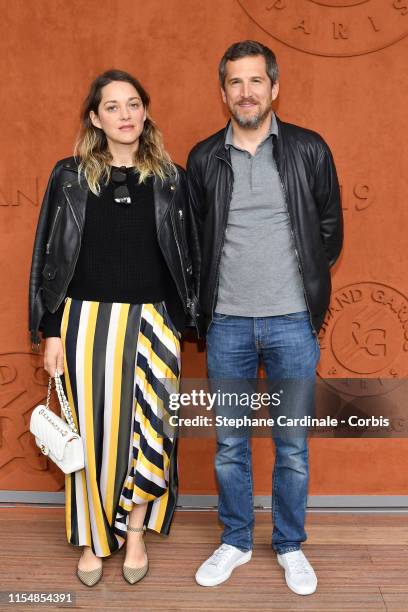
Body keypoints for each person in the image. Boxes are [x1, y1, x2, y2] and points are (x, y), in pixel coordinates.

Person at [29, 69, 198, 587]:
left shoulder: (172, 176)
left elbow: (187, 253)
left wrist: (180, 319)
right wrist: (50, 332)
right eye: (112, 107)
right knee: (95, 432)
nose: (125, 115)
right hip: (85, 321)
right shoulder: (69, 176)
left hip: (154, 322)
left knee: (149, 431)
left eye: (133, 104)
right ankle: (92, 540)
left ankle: (136, 532)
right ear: (94, 118)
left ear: (145, 111)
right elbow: (49, 260)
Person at [187, 41, 343, 595]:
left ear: (274, 88)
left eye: (256, 81)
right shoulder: (206, 158)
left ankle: (289, 545)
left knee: (293, 444)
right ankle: (235, 540)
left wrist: (303, 298)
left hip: (292, 325)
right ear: (224, 91)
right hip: (226, 325)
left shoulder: (308, 149)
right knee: (230, 443)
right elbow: (195, 241)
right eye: (235, 82)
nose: (246, 92)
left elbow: (328, 230)